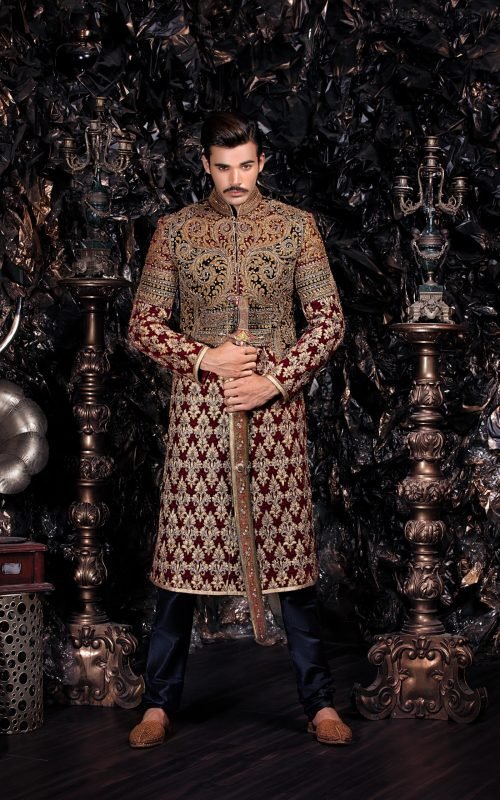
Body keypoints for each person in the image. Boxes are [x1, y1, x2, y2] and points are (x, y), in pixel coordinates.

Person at [127, 110, 350, 748]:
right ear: (205, 164)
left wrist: (274, 379)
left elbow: (328, 321)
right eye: (223, 168)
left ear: (262, 161)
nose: (235, 180)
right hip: (199, 414)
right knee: (178, 573)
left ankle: (319, 703)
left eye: (246, 165)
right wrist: (205, 357)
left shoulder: (295, 228)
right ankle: (157, 703)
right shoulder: (174, 231)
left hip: (276, 415)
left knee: (293, 569)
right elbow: (144, 323)